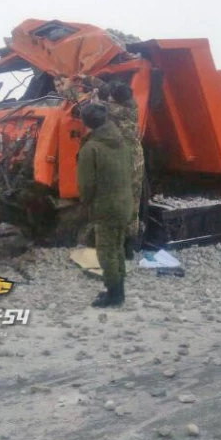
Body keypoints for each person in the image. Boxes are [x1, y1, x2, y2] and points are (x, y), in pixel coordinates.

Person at [77, 102, 133, 307]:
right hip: (124, 203)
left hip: (106, 206)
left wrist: (85, 205)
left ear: (86, 123)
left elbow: (86, 185)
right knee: (117, 246)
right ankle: (118, 289)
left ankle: (114, 295)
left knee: (106, 249)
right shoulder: (121, 142)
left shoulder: (91, 148)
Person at [107, 82, 145, 258]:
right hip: (137, 161)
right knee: (133, 205)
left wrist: (70, 86)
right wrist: (86, 78)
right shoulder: (132, 105)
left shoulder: (115, 111)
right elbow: (109, 91)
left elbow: (89, 108)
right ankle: (130, 246)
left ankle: (118, 247)